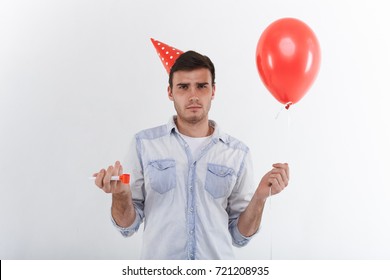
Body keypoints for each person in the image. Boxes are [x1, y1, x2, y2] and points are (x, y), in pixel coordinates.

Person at [93, 50, 289, 260]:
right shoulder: (144, 144)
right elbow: (127, 227)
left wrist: (260, 197)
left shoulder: (237, 153)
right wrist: (120, 195)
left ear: (213, 91)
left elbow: (240, 236)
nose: (193, 95)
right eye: (183, 87)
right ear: (170, 92)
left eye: (202, 86)